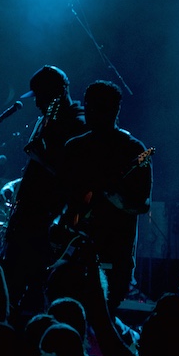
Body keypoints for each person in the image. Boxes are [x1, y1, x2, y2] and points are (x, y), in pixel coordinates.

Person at [59, 80, 152, 313]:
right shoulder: (74, 147)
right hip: (74, 247)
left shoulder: (133, 149)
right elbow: (64, 197)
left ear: (114, 110)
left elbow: (142, 204)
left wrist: (113, 197)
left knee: (105, 314)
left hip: (114, 251)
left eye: (97, 107)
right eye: (88, 106)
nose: (89, 113)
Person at [0, 65, 86, 319]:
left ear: (57, 93)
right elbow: (40, 168)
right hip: (28, 217)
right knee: (12, 286)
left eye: (40, 95)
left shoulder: (76, 123)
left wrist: (41, 155)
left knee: (31, 290)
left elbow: (70, 176)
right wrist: (16, 185)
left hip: (44, 223)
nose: (36, 102)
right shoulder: (48, 118)